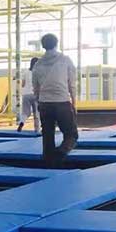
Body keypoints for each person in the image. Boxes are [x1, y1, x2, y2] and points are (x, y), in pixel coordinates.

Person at [32, 33, 78, 168]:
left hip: (44, 103)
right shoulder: (65, 60)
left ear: (43, 46)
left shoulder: (38, 64)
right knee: (71, 135)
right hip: (62, 101)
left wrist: (39, 101)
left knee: (47, 136)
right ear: (56, 43)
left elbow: (36, 87)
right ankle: (61, 152)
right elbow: (72, 84)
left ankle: (48, 163)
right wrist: (74, 102)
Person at [16, 57, 40, 133]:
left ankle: (21, 122)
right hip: (35, 94)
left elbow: (22, 84)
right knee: (37, 113)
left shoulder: (25, 72)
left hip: (26, 95)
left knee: (25, 112)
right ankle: (37, 130)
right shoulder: (38, 73)